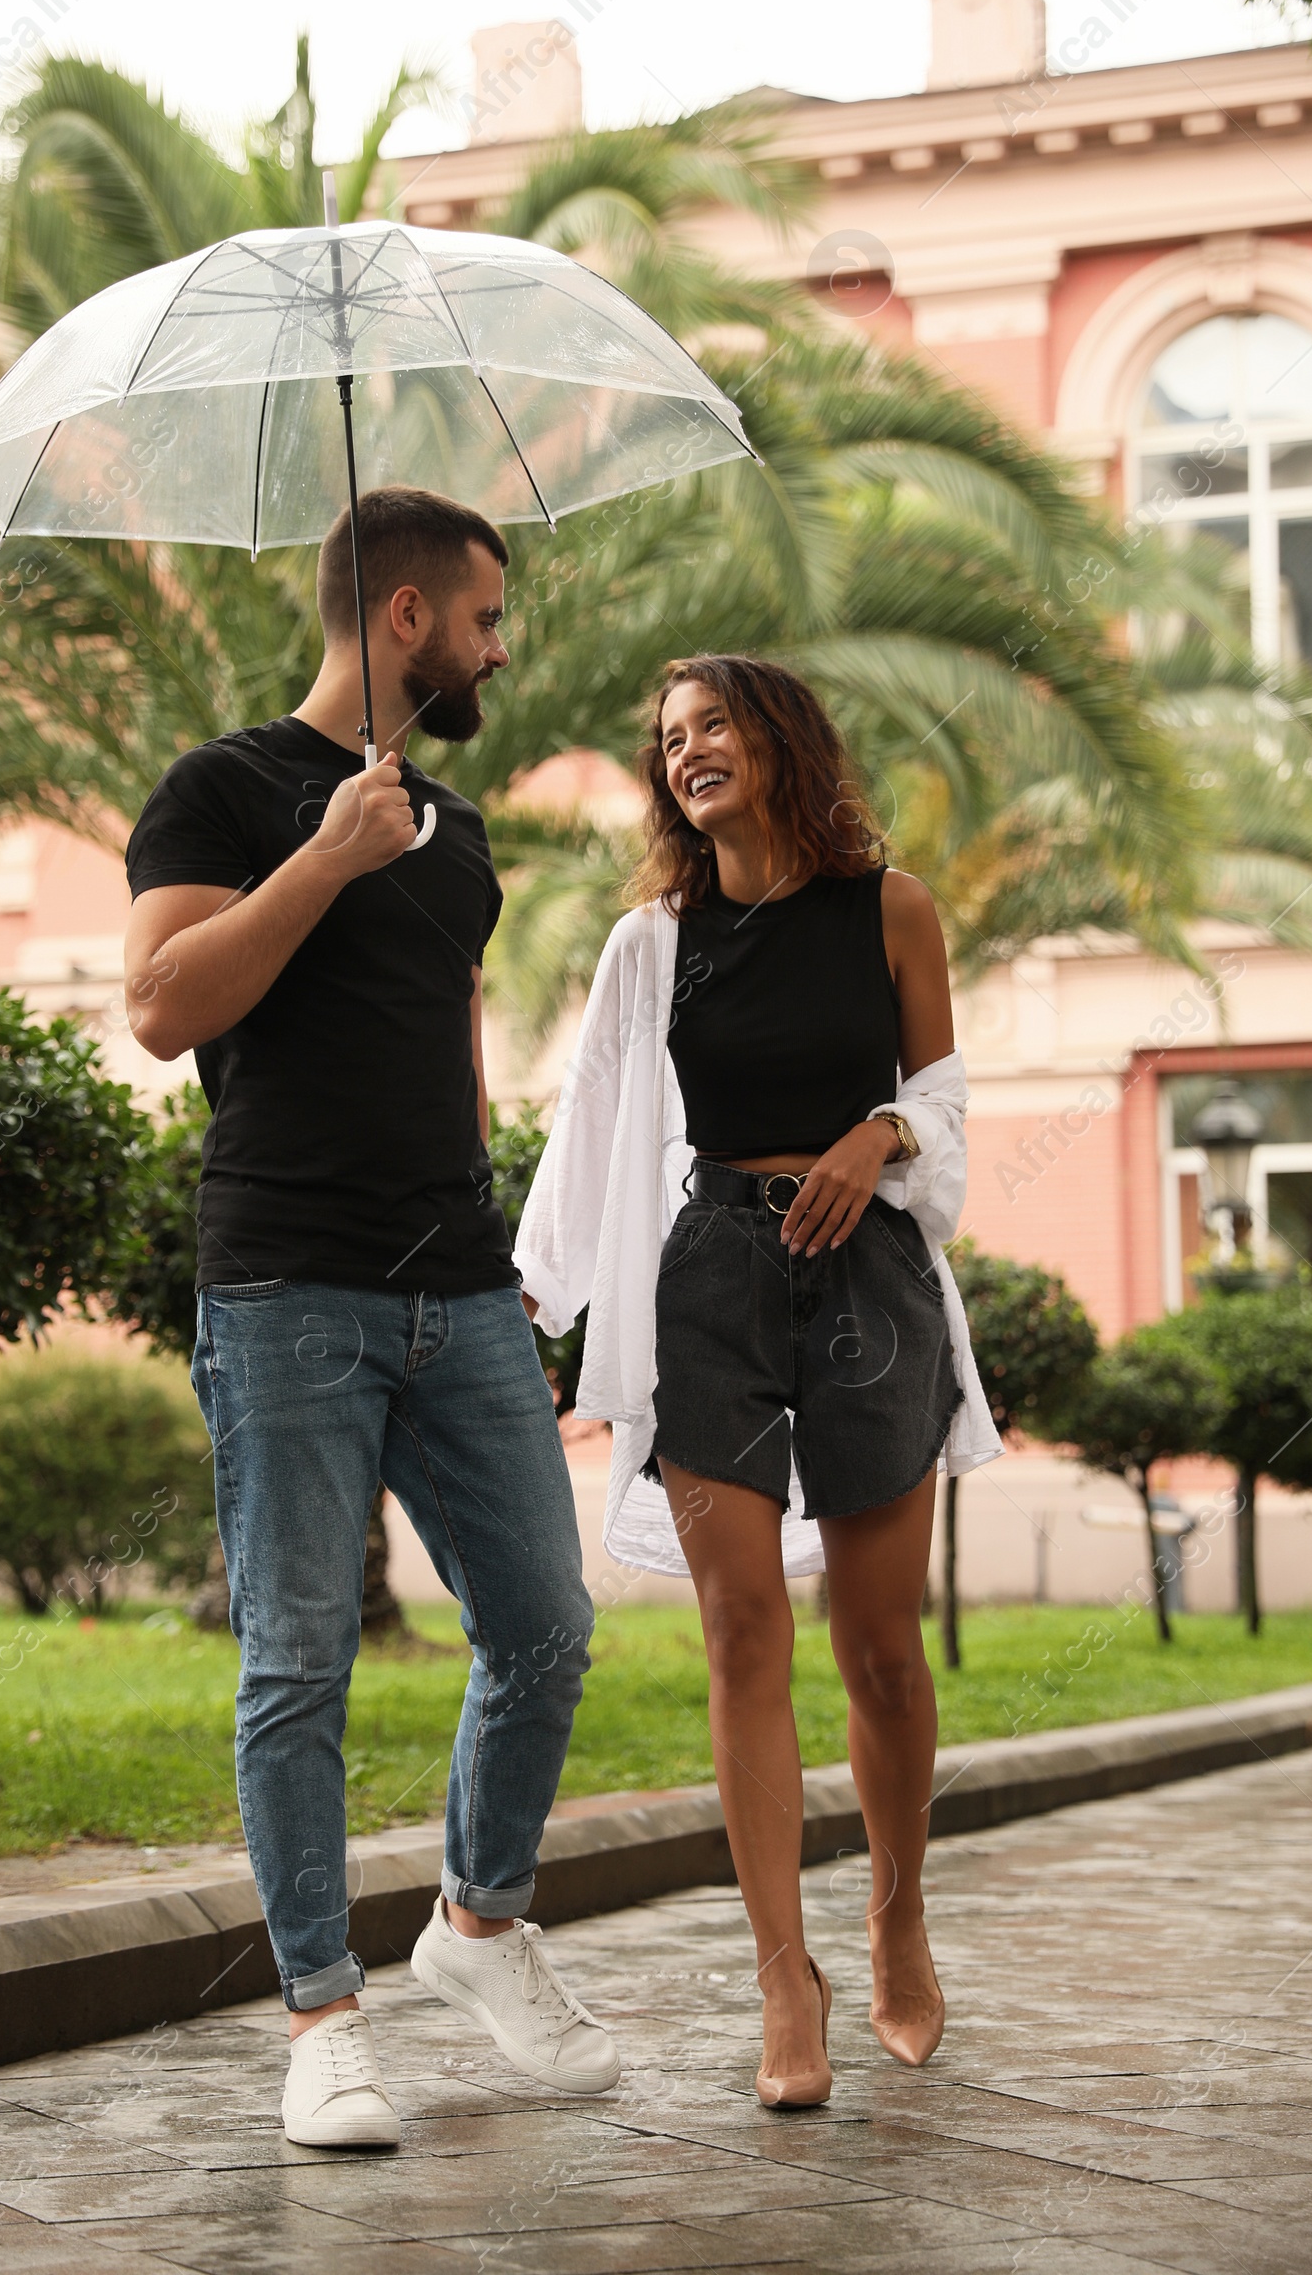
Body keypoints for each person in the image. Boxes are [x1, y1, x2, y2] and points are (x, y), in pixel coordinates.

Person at [124, 485, 618, 2151]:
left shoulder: (457, 832)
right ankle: (323, 2019)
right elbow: (162, 1005)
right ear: (405, 617)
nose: (499, 647)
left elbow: (452, 1059)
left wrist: (506, 1257)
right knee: (296, 1666)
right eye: (483, 617)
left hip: (459, 1295)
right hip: (285, 1288)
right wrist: (324, 857)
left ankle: (476, 1929)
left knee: (546, 1627)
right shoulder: (222, 791)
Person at [516, 655, 1001, 2109]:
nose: (688, 750)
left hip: (871, 1286)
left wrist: (885, 1138)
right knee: (741, 1632)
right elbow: (594, 1121)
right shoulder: (652, 943)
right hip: (714, 1278)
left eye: (713, 722)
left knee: (878, 1646)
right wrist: (524, 1300)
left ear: (780, 740)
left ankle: (898, 1911)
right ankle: (785, 1977)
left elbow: (953, 1107)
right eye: (667, 736)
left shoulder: (890, 911)